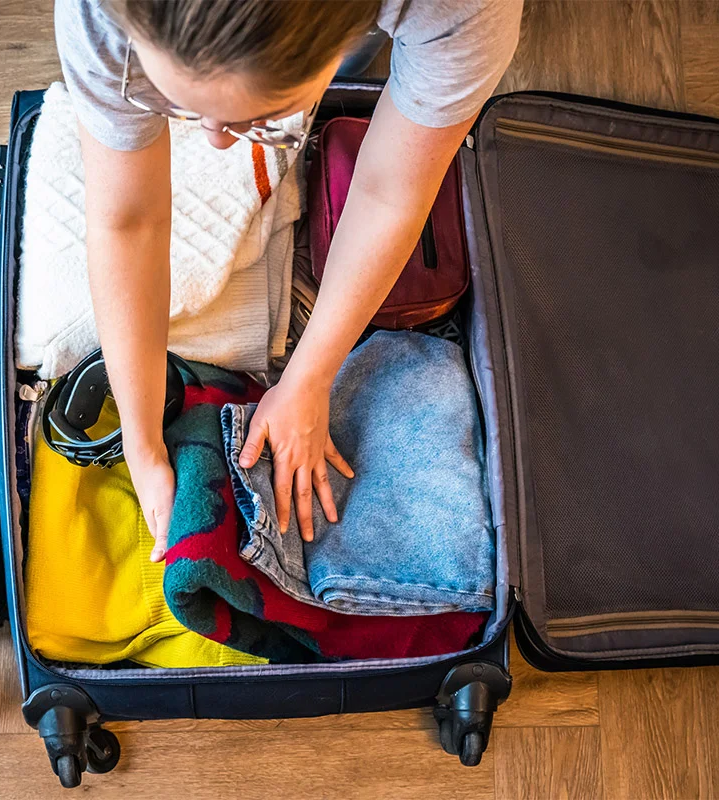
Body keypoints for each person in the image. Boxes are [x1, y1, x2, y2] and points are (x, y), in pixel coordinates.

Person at [55, 0, 523, 560]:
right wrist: (141, 441)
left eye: (259, 120)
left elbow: (389, 192)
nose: (217, 142)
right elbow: (128, 220)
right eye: (177, 103)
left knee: (366, 65)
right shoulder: (96, 15)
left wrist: (309, 379)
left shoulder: (464, 12)